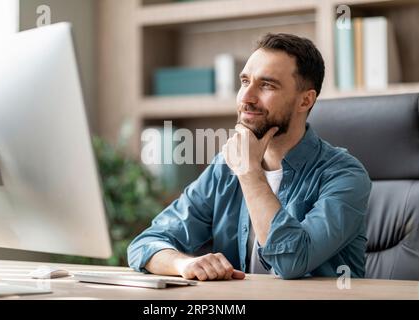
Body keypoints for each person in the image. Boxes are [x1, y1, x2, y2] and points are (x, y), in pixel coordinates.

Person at [128, 33, 372, 280]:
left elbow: (291, 261)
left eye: (267, 85)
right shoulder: (224, 168)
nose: (246, 98)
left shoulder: (345, 175)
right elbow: (146, 243)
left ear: (305, 100)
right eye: (245, 81)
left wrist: (249, 172)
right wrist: (183, 265)